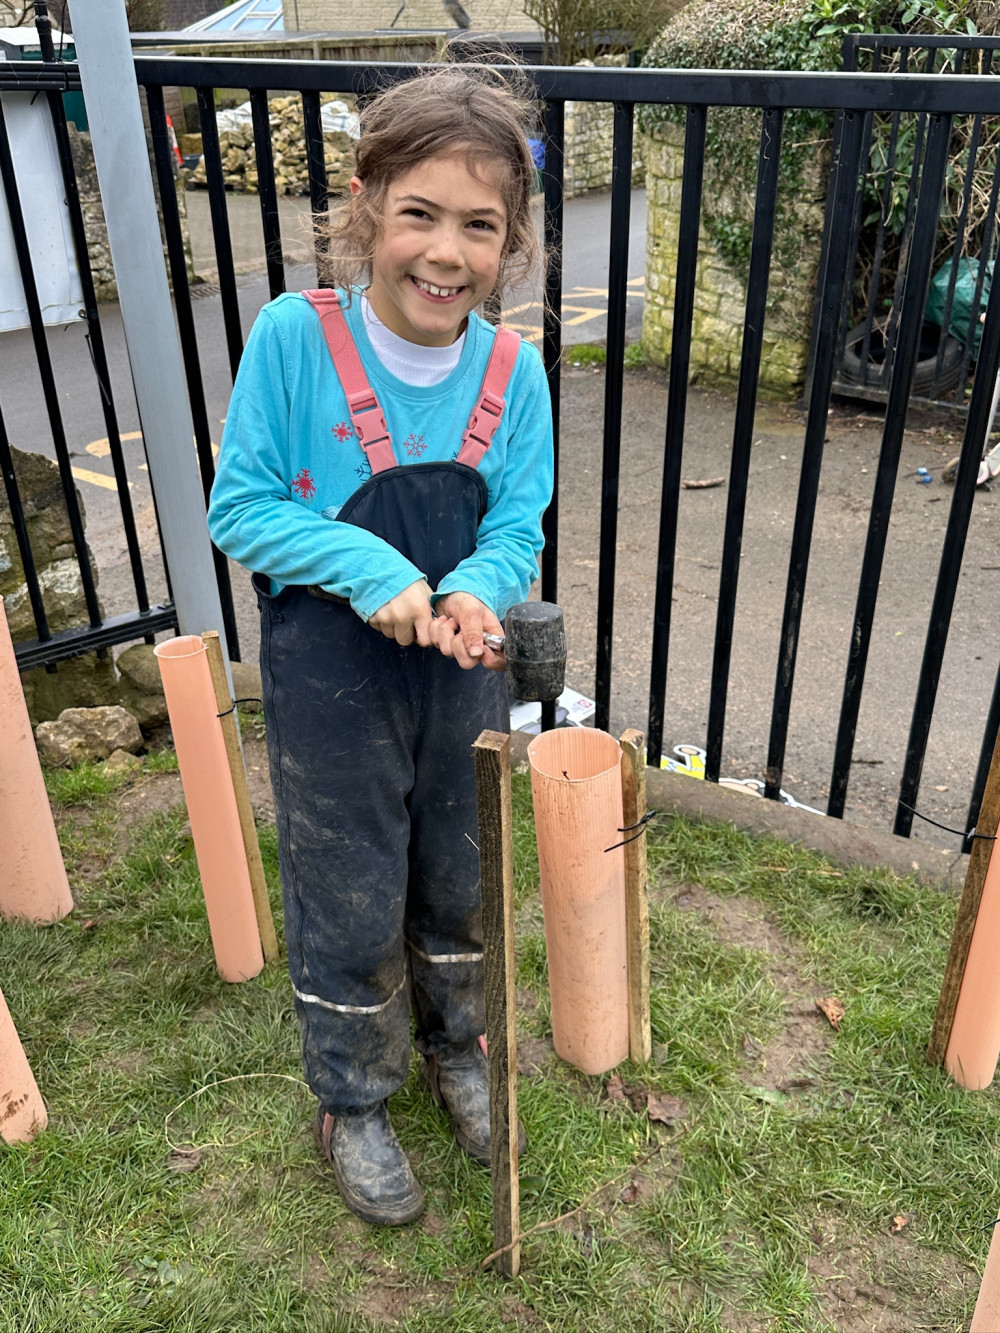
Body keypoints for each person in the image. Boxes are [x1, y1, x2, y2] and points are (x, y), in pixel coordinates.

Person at [207, 65, 553, 1227]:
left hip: (459, 677)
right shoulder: (293, 342)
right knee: (348, 883)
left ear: (508, 243)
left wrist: (472, 588)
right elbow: (243, 507)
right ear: (365, 203)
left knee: (459, 872)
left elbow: (516, 520)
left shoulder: (512, 370)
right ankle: (350, 1094)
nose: (444, 251)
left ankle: (461, 1043)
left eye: (478, 224)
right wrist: (374, 571)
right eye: (419, 213)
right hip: (330, 681)